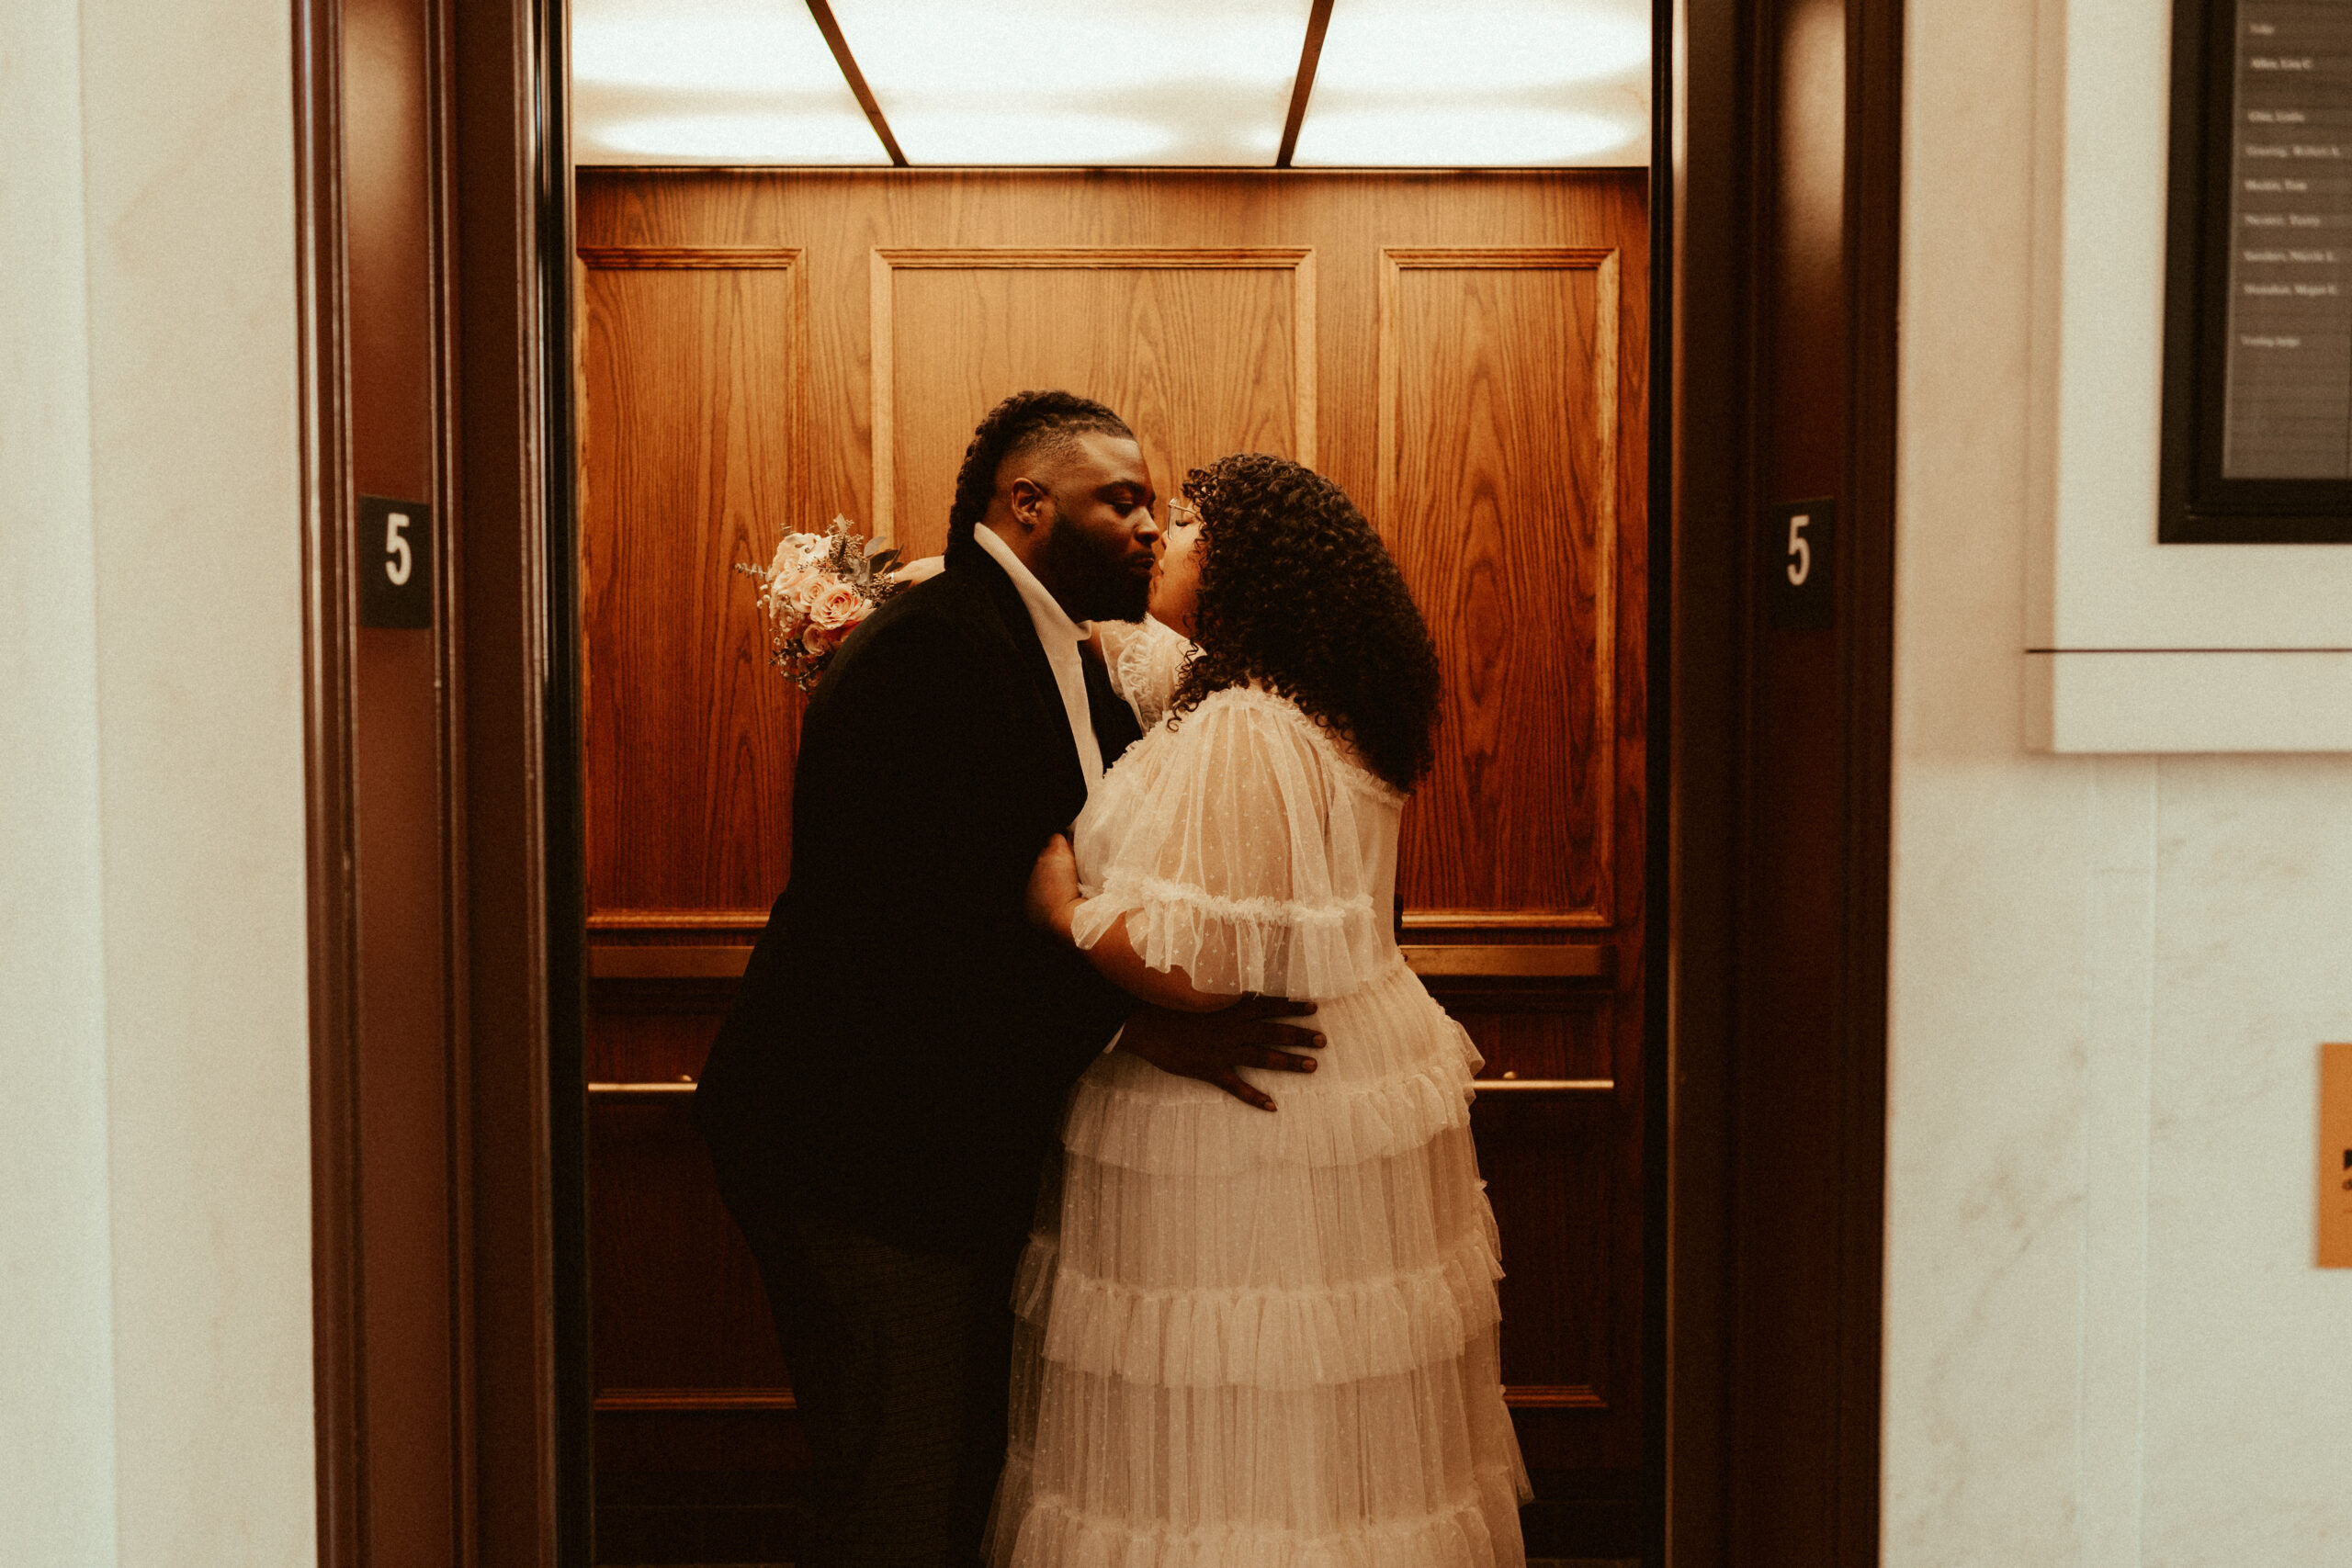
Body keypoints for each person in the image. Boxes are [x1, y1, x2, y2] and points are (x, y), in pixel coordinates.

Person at [692, 393, 1326, 1568]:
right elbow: (924, 938)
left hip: (941, 1138)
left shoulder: (1058, 653)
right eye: (1122, 500)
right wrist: (1139, 1032)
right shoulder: (933, 653)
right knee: (905, 1491)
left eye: (1154, 507)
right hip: (858, 1146)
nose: (1148, 527)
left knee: (950, 1483)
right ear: (1025, 505)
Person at [992, 454, 1531, 1567]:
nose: (1157, 538)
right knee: (1319, 1424)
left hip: (1241, 1117)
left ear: (1245, 570)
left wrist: (1066, 916)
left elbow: (1207, 969)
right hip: (1340, 1092)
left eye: (1183, 523)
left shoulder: (1246, 725)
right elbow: (1132, 655)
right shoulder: (1324, 711)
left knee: (1225, 1414)